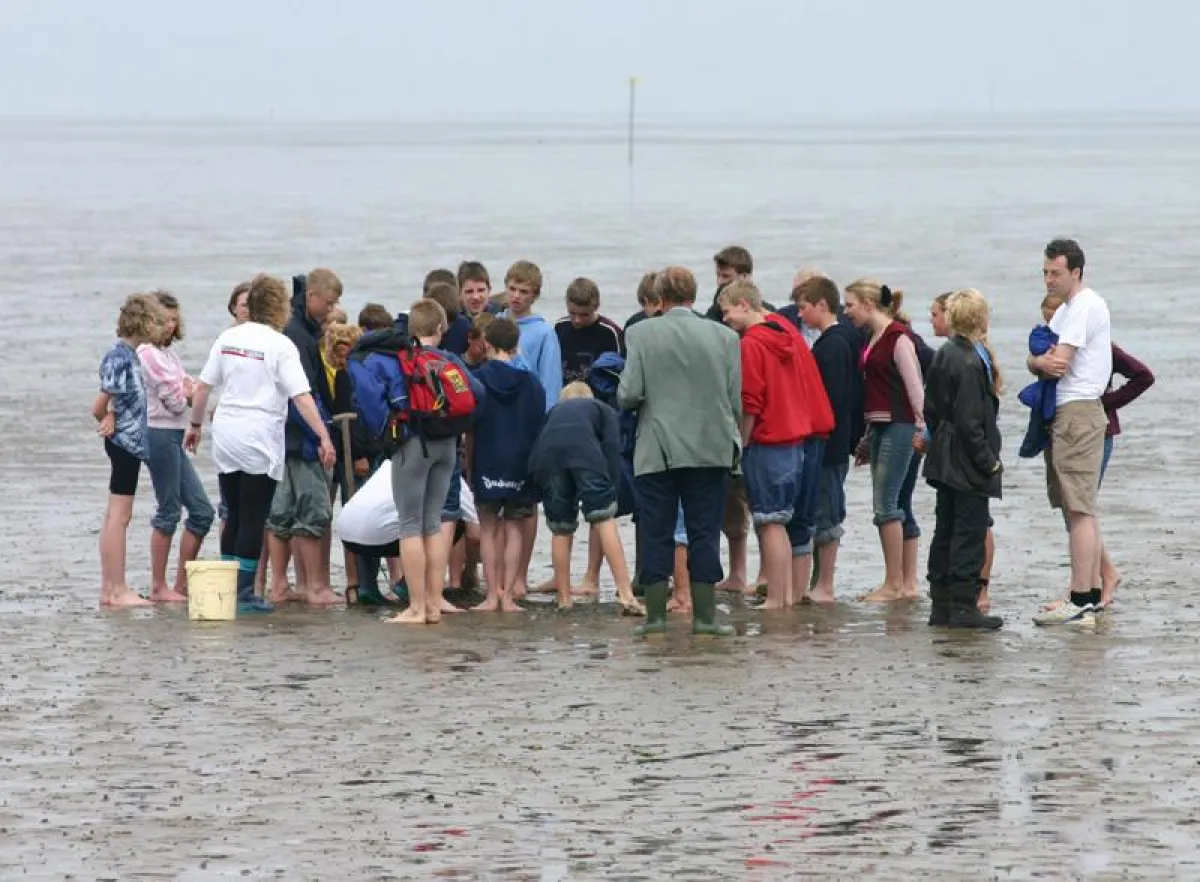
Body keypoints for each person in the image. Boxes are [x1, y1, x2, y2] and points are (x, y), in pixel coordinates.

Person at [185, 274, 335, 614]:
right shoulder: (280, 345)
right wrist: (323, 436)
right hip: (259, 432)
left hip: (226, 431)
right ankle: (245, 594)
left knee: (233, 509)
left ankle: (225, 587)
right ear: (280, 307)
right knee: (254, 514)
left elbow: (204, 387)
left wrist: (194, 426)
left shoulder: (228, 337)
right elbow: (302, 397)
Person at [618, 266, 741, 637]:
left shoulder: (640, 332)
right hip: (710, 446)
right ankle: (705, 618)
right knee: (705, 530)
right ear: (694, 293)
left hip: (658, 448)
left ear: (660, 297)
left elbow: (628, 394)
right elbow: (734, 400)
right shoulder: (724, 337)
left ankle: (655, 618)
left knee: (657, 529)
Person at [719, 279, 834, 610]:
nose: (725, 320)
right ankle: (784, 596)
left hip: (769, 439)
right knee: (782, 520)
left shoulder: (751, 344)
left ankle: (775, 598)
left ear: (744, 304)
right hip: (796, 438)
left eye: (727, 312)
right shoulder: (783, 331)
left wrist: (742, 440)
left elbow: (750, 402)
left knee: (769, 520)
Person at [1028, 239, 1112, 628]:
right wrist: (1036, 360)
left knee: (1078, 510)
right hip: (1069, 412)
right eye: (1045, 272)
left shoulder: (1083, 306)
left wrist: (1039, 360)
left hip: (1078, 412)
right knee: (1077, 507)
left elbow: (1058, 364)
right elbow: (1038, 357)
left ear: (1075, 272)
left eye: (1055, 273)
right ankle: (1089, 595)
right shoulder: (1065, 310)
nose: (1048, 279)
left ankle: (1080, 598)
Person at [919, 289, 1004, 630]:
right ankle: (963, 607)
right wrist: (989, 462)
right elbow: (971, 423)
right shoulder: (969, 360)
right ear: (980, 319)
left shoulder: (946, 352)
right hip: (965, 459)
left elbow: (932, 409)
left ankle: (941, 604)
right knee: (968, 530)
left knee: (946, 527)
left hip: (944, 453)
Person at [528, 381, 644, 613]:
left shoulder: (554, 412)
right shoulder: (602, 409)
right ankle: (626, 595)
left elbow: (538, 445)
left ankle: (564, 599)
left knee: (561, 529)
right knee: (603, 518)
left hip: (549, 461)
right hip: (586, 457)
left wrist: (535, 486)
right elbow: (611, 446)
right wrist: (612, 486)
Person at [843, 279, 925, 603]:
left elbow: (915, 387)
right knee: (897, 503)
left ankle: (894, 583)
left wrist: (921, 429)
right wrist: (866, 438)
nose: (846, 311)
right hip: (881, 426)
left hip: (900, 426)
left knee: (886, 505)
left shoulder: (898, 338)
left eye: (850, 304)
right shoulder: (874, 337)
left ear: (867, 303)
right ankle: (906, 584)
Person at [264, 268, 342, 606]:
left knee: (280, 513)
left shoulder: (290, 330)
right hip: (300, 436)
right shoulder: (299, 337)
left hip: (279, 437)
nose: (332, 309)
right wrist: (321, 435)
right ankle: (315, 587)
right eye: (329, 302)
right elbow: (303, 394)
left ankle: (280, 585)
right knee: (313, 510)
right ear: (311, 297)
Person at [137, 290, 214, 603]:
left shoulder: (168, 354)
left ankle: (181, 584)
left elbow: (190, 390)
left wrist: (189, 392)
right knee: (168, 510)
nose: (169, 326)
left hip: (174, 434)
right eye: (163, 320)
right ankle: (159, 586)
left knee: (201, 512)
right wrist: (188, 393)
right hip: (158, 433)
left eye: (173, 319)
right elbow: (174, 400)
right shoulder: (147, 354)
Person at [93, 293, 166, 608]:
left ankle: (110, 588)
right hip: (124, 442)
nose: (160, 327)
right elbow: (98, 404)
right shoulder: (120, 357)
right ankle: (117, 588)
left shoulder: (128, 355)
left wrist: (110, 412)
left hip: (128, 442)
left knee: (116, 515)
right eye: (156, 321)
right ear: (144, 322)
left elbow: (112, 401)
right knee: (119, 517)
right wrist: (106, 415)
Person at [469, 318, 546, 612]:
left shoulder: (478, 379)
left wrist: (469, 462)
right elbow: (538, 422)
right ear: (517, 346)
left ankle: (491, 594)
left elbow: (471, 424)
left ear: (487, 342)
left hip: (487, 457)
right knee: (514, 527)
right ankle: (510, 596)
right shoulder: (532, 384)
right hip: (520, 461)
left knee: (489, 528)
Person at [796, 275, 864, 603]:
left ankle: (825, 584)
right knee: (824, 508)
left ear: (822, 305)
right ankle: (819, 582)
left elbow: (834, 399)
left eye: (804, 308)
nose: (800, 315)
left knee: (826, 511)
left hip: (829, 441)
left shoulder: (834, 344)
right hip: (835, 439)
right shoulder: (840, 339)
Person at [554, 277, 625, 384]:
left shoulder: (610, 333)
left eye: (584, 315)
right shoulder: (559, 328)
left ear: (596, 307)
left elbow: (621, 374)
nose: (577, 320)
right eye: (572, 313)